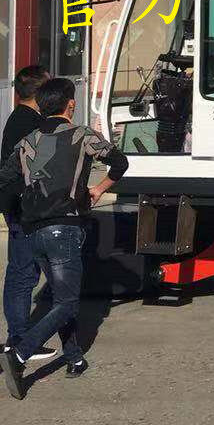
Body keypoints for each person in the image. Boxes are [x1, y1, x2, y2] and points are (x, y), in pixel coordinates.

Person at [0, 77, 129, 400]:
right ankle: (19, 355)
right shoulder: (82, 134)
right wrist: (98, 190)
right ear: (70, 104)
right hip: (64, 228)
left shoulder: (28, 141)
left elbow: (5, 177)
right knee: (67, 301)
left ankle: (74, 358)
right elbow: (120, 162)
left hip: (32, 231)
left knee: (60, 297)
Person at [2, 65, 60, 365]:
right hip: (26, 208)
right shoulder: (31, 123)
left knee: (22, 271)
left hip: (17, 206)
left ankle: (17, 337)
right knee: (24, 274)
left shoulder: (20, 118)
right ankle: (20, 340)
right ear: (40, 92)